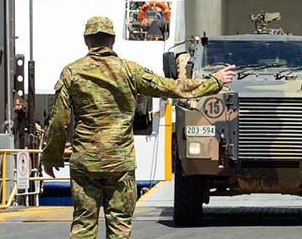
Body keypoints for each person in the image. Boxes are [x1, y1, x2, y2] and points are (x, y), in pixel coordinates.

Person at [42, 16, 235, 239]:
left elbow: (59, 121)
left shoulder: (72, 73)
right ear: (113, 40)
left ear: (86, 41)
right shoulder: (130, 70)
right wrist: (215, 80)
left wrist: (51, 157)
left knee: (83, 225)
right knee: (120, 226)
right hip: (120, 162)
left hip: (86, 163)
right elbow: (172, 88)